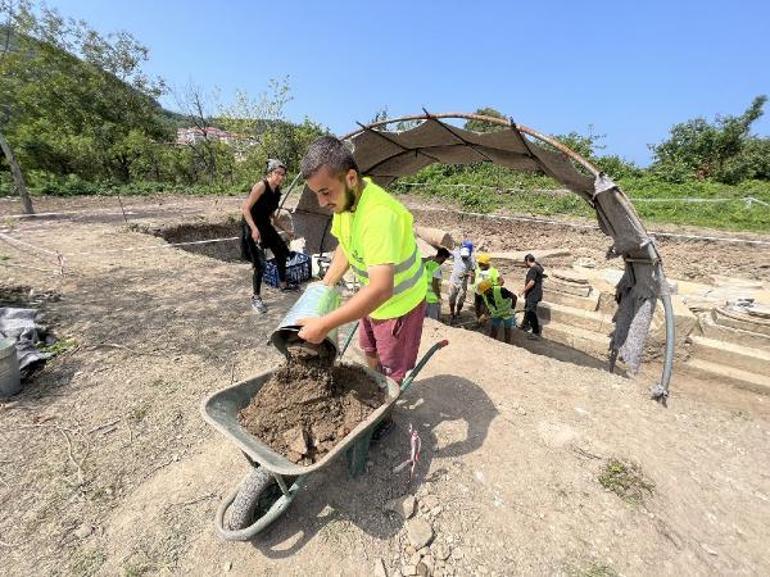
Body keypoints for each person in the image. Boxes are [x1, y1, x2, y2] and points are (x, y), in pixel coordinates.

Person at [296, 136, 426, 384]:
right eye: (316, 194)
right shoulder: (346, 203)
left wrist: (323, 324)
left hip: (399, 306)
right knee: (369, 349)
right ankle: (378, 383)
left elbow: (380, 289)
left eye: (325, 192)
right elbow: (346, 246)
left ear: (351, 178)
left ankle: (388, 401)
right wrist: (326, 285)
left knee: (392, 365)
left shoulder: (378, 216)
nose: (322, 203)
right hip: (372, 300)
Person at [240, 159, 298, 314]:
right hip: (251, 225)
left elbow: (272, 214)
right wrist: (253, 229)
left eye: (282, 174)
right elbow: (245, 209)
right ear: (270, 173)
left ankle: (283, 284)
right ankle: (256, 297)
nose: (280, 177)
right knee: (260, 264)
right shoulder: (261, 186)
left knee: (281, 250)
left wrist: (286, 230)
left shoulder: (277, 191)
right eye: (277, 173)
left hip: (265, 225)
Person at [478, 279, 517, 344]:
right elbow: (488, 305)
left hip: (507, 313)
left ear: (489, 289)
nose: (483, 293)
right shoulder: (485, 294)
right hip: (496, 314)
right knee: (494, 329)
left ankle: (507, 346)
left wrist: (512, 309)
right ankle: (492, 344)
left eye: (484, 291)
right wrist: (484, 315)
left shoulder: (501, 290)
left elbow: (514, 297)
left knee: (507, 330)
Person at [448, 240, 476, 324]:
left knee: (461, 299)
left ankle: (458, 312)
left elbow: (473, 271)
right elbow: (448, 251)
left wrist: (469, 275)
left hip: (463, 282)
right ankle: (452, 313)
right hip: (453, 280)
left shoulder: (472, 259)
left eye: (465, 257)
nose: (464, 258)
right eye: (463, 256)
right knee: (451, 297)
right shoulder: (457, 253)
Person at [520, 253, 545, 340]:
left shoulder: (533, 270)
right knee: (527, 308)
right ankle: (524, 325)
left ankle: (535, 333)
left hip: (533, 294)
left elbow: (531, 282)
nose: (525, 264)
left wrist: (523, 291)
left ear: (527, 261)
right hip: (535, 293)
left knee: (531, 313)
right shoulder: (538, 267)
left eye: (525, 262)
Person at [423, 247, 451, 320]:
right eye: (444, 259)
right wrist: (439, 297)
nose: (443, 261)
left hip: (424, 297)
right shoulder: (437, 268)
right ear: (442, 257)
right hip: (433, 299)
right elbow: (434, 284)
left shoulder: (427, 264)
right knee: (433, 321)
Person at [473, 252, 502, 320]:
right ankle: (478, 321)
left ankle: (483, 323)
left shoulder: (493, 271)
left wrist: (494, 287)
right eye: (479, 263)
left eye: (481, 264)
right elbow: (475, 278)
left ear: (486, 264)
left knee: (485, 311)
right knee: (477, 308)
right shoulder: (478, 269)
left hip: (487, 294)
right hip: (478, 292)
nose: (479, 265)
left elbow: (501, 281)